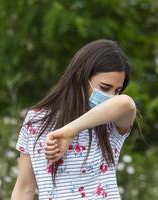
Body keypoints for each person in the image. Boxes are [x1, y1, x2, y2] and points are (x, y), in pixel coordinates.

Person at [11, 39, 137, 200]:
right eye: (105, 88)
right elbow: (24, 188)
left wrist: (70, 131)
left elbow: (126, 104)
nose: (110, 97)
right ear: (80, 76)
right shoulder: (37, 120)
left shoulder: (110, 123)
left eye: (117, 90)